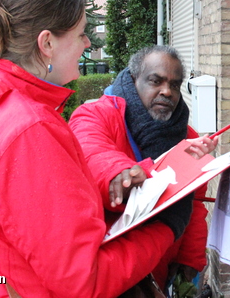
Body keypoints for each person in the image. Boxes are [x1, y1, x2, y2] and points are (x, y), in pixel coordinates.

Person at [0, 0, 193, 298]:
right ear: (47, 43)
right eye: (81, 34)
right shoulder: (30, 129)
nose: (88, 44)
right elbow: (84, 280)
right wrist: (167, 227)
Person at [69, 45, 218, 291]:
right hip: (112, 270)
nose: (167, 92)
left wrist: (189, 258)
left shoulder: (187, 138)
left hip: (164, 266)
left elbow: (194, 203)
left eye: (175, 85)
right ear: (133, 79)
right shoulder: (95, 114)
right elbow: (90, 149)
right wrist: (118, 172)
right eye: (156, 81)